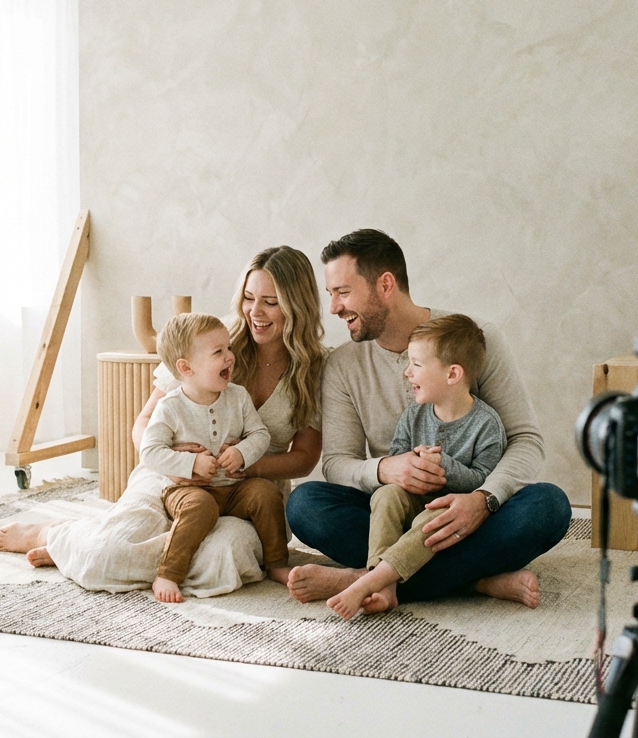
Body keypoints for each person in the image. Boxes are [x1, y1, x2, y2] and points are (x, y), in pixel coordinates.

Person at [0, 246, 325, 598]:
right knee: (110, 554)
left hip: (248, 493)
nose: (255, 312)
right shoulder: (208, 339)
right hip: (169, 477)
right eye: (248, 298)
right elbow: (144, 423)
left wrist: (247, 464)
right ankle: (63, 536)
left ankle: (88, 547)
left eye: (270, 302)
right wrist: (176, 464)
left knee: (222, 561)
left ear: (296, 304)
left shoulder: (314, 368)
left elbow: (305, 458)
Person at [286, 229, 572, 608]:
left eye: (342, 292)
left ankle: (367, 578)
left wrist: (483, 500)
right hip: (393, 512)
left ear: (385, 285)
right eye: (331, 295)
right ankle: (475, 581)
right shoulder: (342, 365)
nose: (334, 308)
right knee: (305, 504)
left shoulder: (473, 337)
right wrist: (386, 469)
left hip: (470, 513)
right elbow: (338, 463)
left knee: (549, 506)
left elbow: (526, 440)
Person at [326, 314, 506, 619]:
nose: (407, 372)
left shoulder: (486, 424)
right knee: (383, 496)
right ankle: (383, 582)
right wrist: (410, 464)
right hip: (411, 505)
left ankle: (370, 580)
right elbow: (398, 460)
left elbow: (484, 481)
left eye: (416, 365)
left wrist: (444, 466)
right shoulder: (413, 415)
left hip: (456, 517)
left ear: (452, 374)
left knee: (541, 505)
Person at [140, 312, 287, 602]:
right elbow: (149, 451)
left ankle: (277, 563)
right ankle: (168, 574)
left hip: (234, 489)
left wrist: (242, 453)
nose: (230, 357)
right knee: (200, 506)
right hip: (187, 490)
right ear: (186, 367)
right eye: (218, 352)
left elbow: (260, 434)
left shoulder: (238, 396)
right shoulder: (170, 407)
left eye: (228, 348)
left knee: (266, 493)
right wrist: (191, 464)